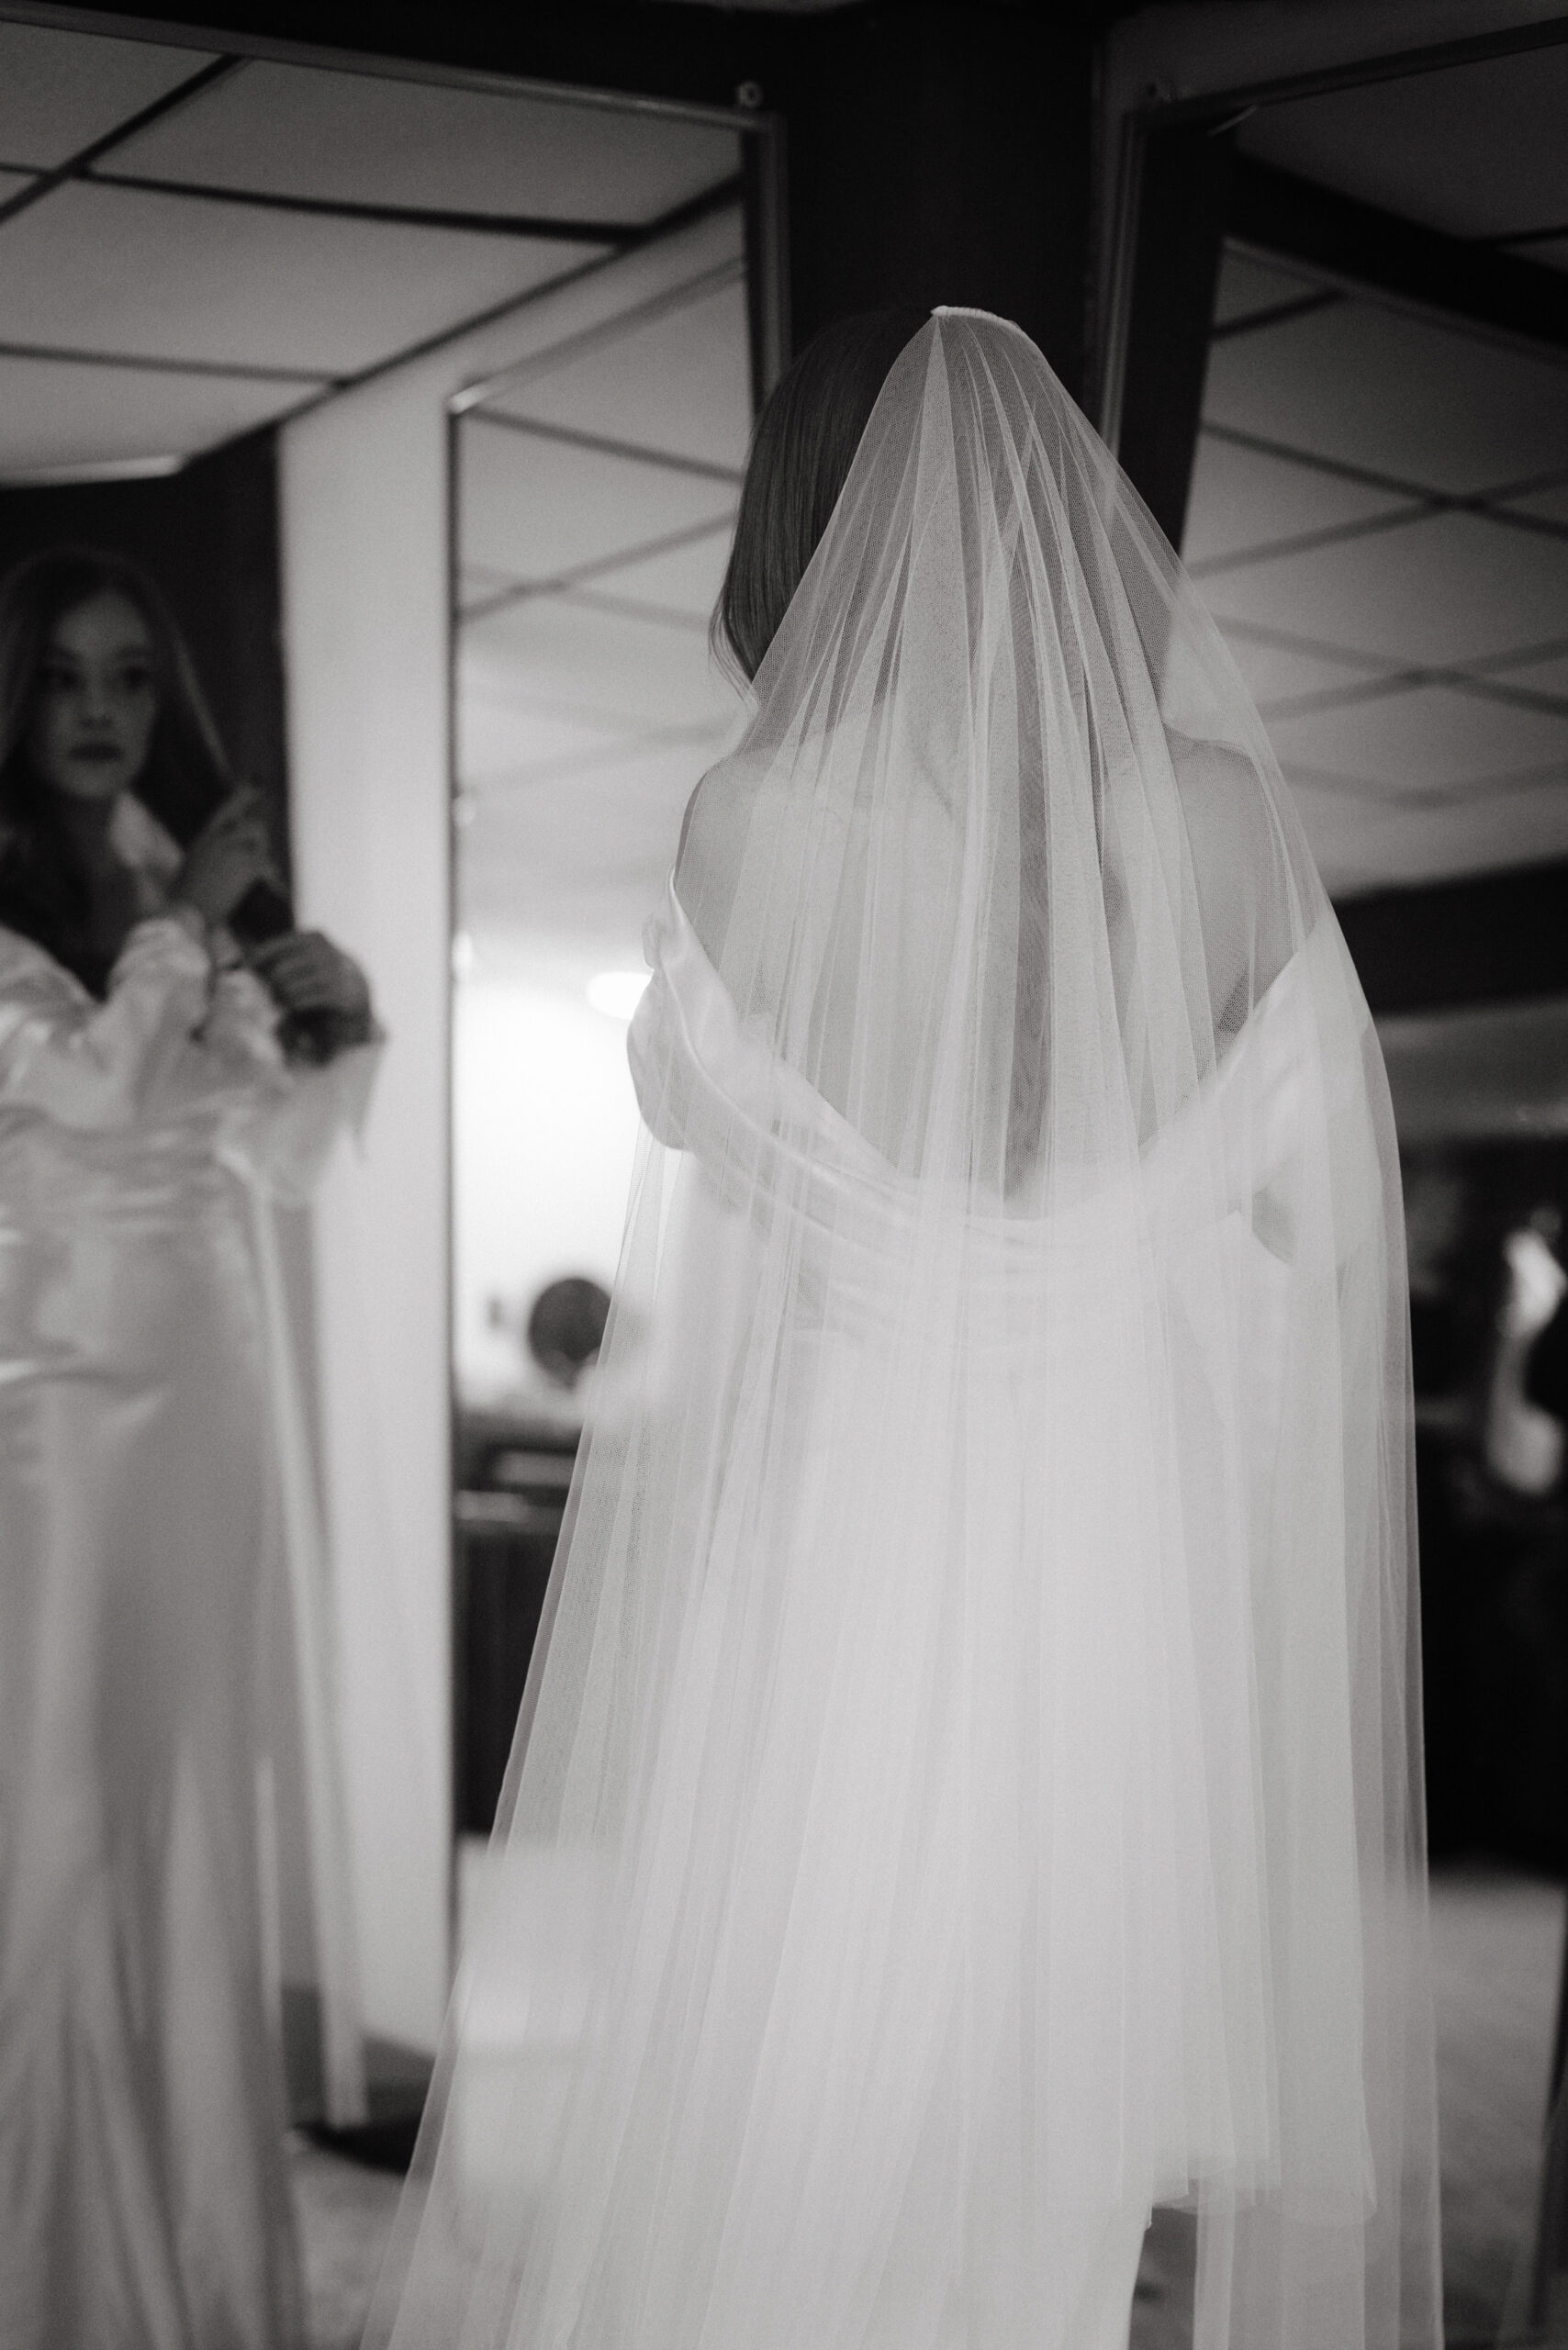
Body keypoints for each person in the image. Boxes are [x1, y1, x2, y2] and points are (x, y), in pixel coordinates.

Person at [369, 311, 1441, 2350]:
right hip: (1123, 1564)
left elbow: (732, 1146)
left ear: (796, 533)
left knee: (812, 2127)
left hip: (850, 1553)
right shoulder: (1221, 823)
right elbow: (1319, 1210)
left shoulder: (750, 827)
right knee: (1056, 2148)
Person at [0, 547, 376, 2348]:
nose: (101, 710)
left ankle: (199, 2245)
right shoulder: (83, 892)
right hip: (51, 1390)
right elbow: (75, 1084)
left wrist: (336, 1012)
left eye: (132, 678)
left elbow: (273, 1157)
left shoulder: (172, 881)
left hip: (208, 1378)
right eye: (69, 676)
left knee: (192, 1794)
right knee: (57, 1808)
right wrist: (194, 920)